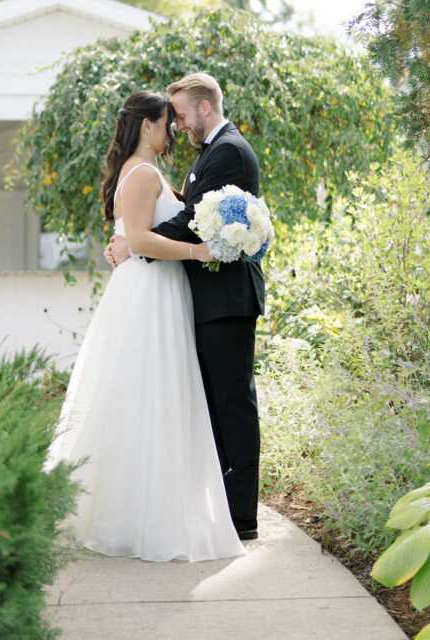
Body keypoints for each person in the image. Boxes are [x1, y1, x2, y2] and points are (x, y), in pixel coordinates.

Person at [45, 90, 245, 562]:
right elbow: (137, 237)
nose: (172, 129)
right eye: (165, 123)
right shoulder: (139, 173)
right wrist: (199, 251)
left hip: (161, 289)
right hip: (148, 293)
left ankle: (161, 506)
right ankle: (131, 513)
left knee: (161, 396)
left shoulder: (149, 172)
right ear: (146, 127)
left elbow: (131, 236)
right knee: (143, 395)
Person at [109, 73, 265, 541]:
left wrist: (136, 246)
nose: (177, 125)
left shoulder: (229, 152)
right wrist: (133, 241)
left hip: (226, 300)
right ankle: (216, 509)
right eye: (169, 117)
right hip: (205, 299)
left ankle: (241, 519)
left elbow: (193, 223)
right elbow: (185, 218)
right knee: (213, 407)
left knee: (232, 404)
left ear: (203, 107)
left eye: (181, 114)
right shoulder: (209, 154)